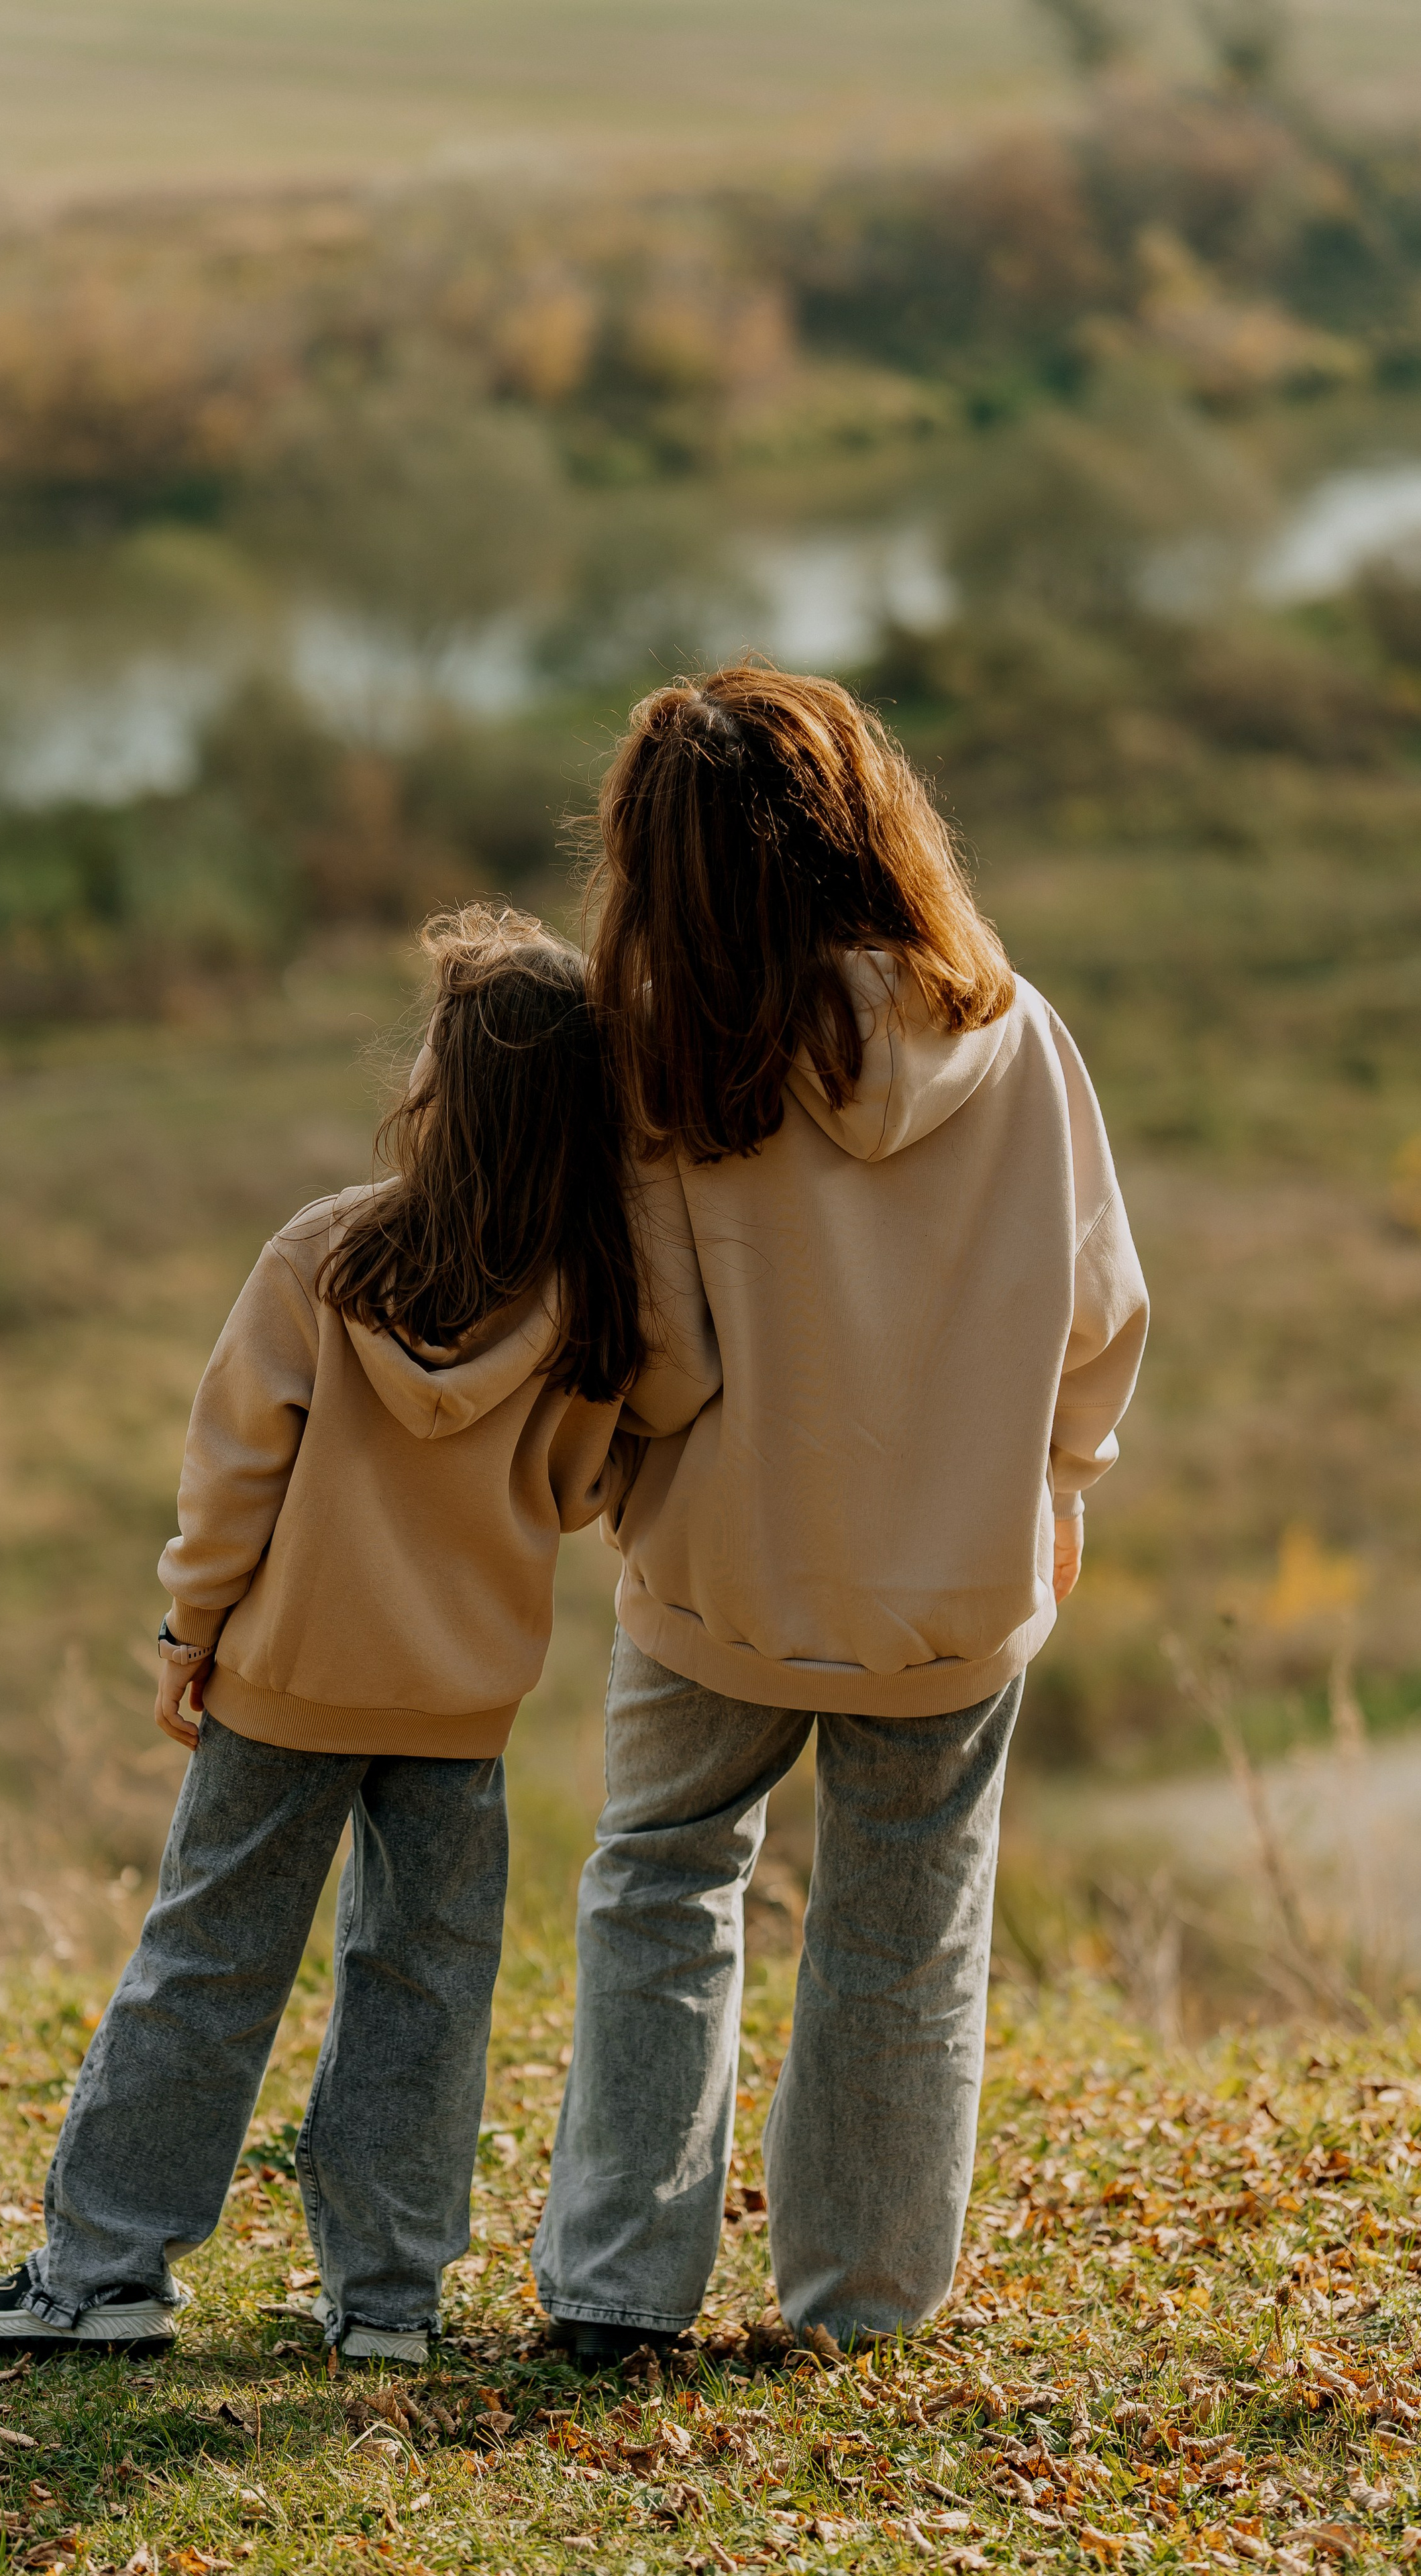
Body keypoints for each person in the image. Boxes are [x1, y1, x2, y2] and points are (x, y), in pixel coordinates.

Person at [0, 904, 712, 2362]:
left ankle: (106, 2271)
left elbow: (233, 1473)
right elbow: (577, 1492)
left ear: (442, 1091)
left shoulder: (325, 1257)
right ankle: (386, 2303)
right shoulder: (595, 1301)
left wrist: (191, 1628)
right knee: (424, 1989)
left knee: (209, 1960)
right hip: (459, 1705)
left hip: (284, 1682)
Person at [533, 665, 1149, 2365]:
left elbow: (654, 1362)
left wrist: (606, 1480)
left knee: (661, 1881)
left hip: (722, 1572)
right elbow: (1098, 1314)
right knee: (903, 1926)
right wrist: (1058, 1486)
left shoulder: (670, 1064)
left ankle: (616, 2292)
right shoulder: (1015, 1033)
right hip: (956, 1581)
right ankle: (862, 2308)